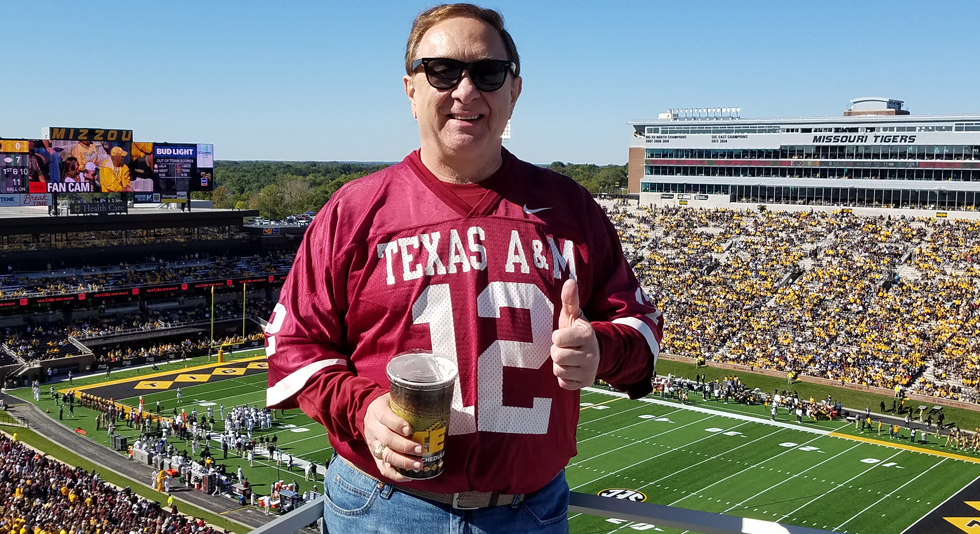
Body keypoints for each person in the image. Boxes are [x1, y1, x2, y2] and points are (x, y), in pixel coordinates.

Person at [265, 4, 662, 532]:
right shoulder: (354, 211)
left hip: (530, 510)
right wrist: (363, 411)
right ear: (411, 90)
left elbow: (640, 328)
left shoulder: (570, 208)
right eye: (443, 71)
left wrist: (601, 349)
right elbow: (295, 348)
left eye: (488, 73)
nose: (467, 91)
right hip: (384, 506)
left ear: (514, 91)